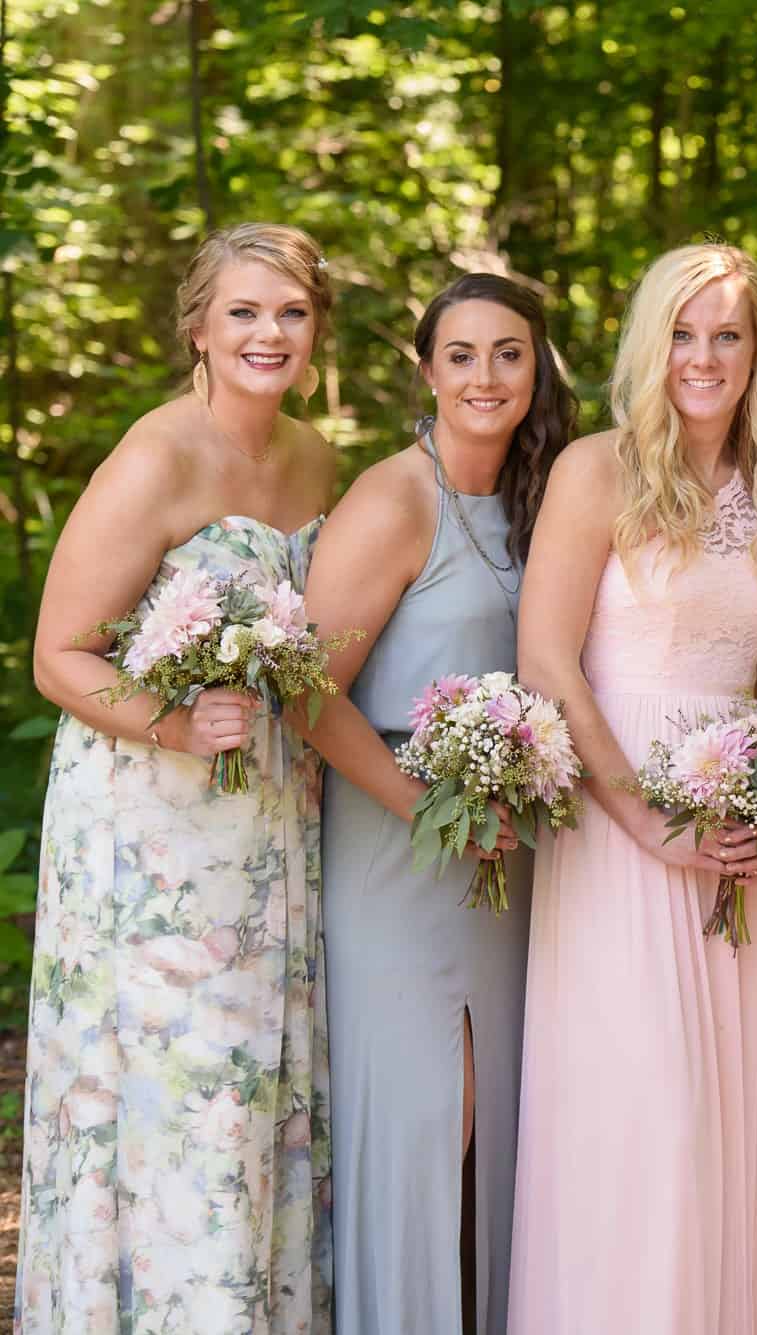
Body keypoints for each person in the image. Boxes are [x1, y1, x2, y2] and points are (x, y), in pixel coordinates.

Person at [20, 222, 337, 1331]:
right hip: (152, 835)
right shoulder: (154, 456)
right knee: (176, 1099)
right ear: (197, 327)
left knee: (257, 1095)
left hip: (272, 820)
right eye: (244, 312)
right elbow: (57, 654)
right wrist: (174, 722)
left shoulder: (314, 459)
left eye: (290, 314)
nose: (268, 333)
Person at [507, 243, 757, 1334]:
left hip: (732, 819)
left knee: (720, 1120)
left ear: (756, 352)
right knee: (642, 1110)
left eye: (728, 334)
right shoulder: (599, 468)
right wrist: (644, 817)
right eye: (683, 333)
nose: (704, 356)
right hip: (615, 812)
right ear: (650, 345)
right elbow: (546, 657)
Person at [306, 272, 576, 1335]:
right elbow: (305, 693)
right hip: (396, 850)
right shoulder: (392, 498)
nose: (485, 376)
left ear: (535, 369)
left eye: (508, 352)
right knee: (429, 1119)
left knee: (499, 1123)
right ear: (425, 370)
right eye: (460, 354)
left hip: (508, 864)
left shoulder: (543, 497)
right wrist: (423, 804)